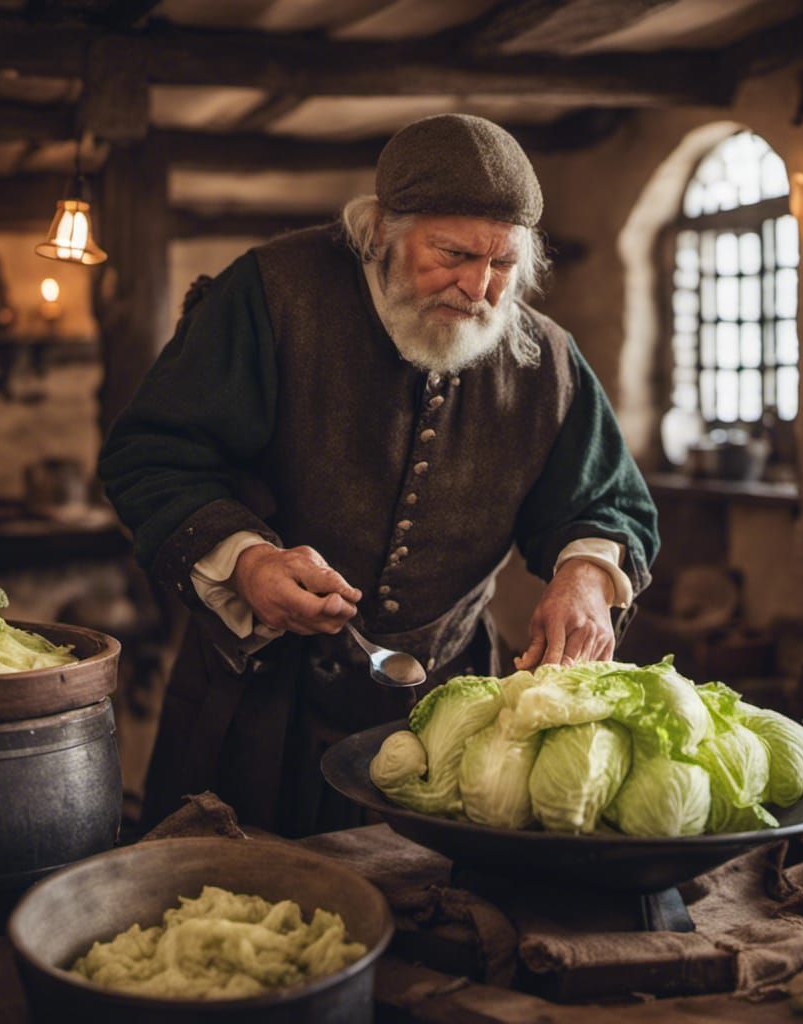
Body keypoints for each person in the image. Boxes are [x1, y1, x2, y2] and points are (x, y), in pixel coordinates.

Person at [99, 114, 659, 835]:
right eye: (453, 254)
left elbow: (607, 499)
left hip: (449, 718)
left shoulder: (544, 361)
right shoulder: (271, 295)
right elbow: (152, 451)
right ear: (381, 230)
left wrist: (584, 577)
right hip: (254, 704)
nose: (480, 288)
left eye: (503, 265)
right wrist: (249, 561)